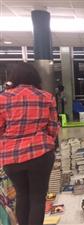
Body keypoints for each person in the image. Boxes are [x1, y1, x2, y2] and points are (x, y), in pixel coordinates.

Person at [0, 62, 59, 225]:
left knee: (22, 195)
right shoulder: (46, 97)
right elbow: (53, 128)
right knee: (37, 199)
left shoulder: (2, 98)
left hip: (11, 158)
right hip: (40, 154)